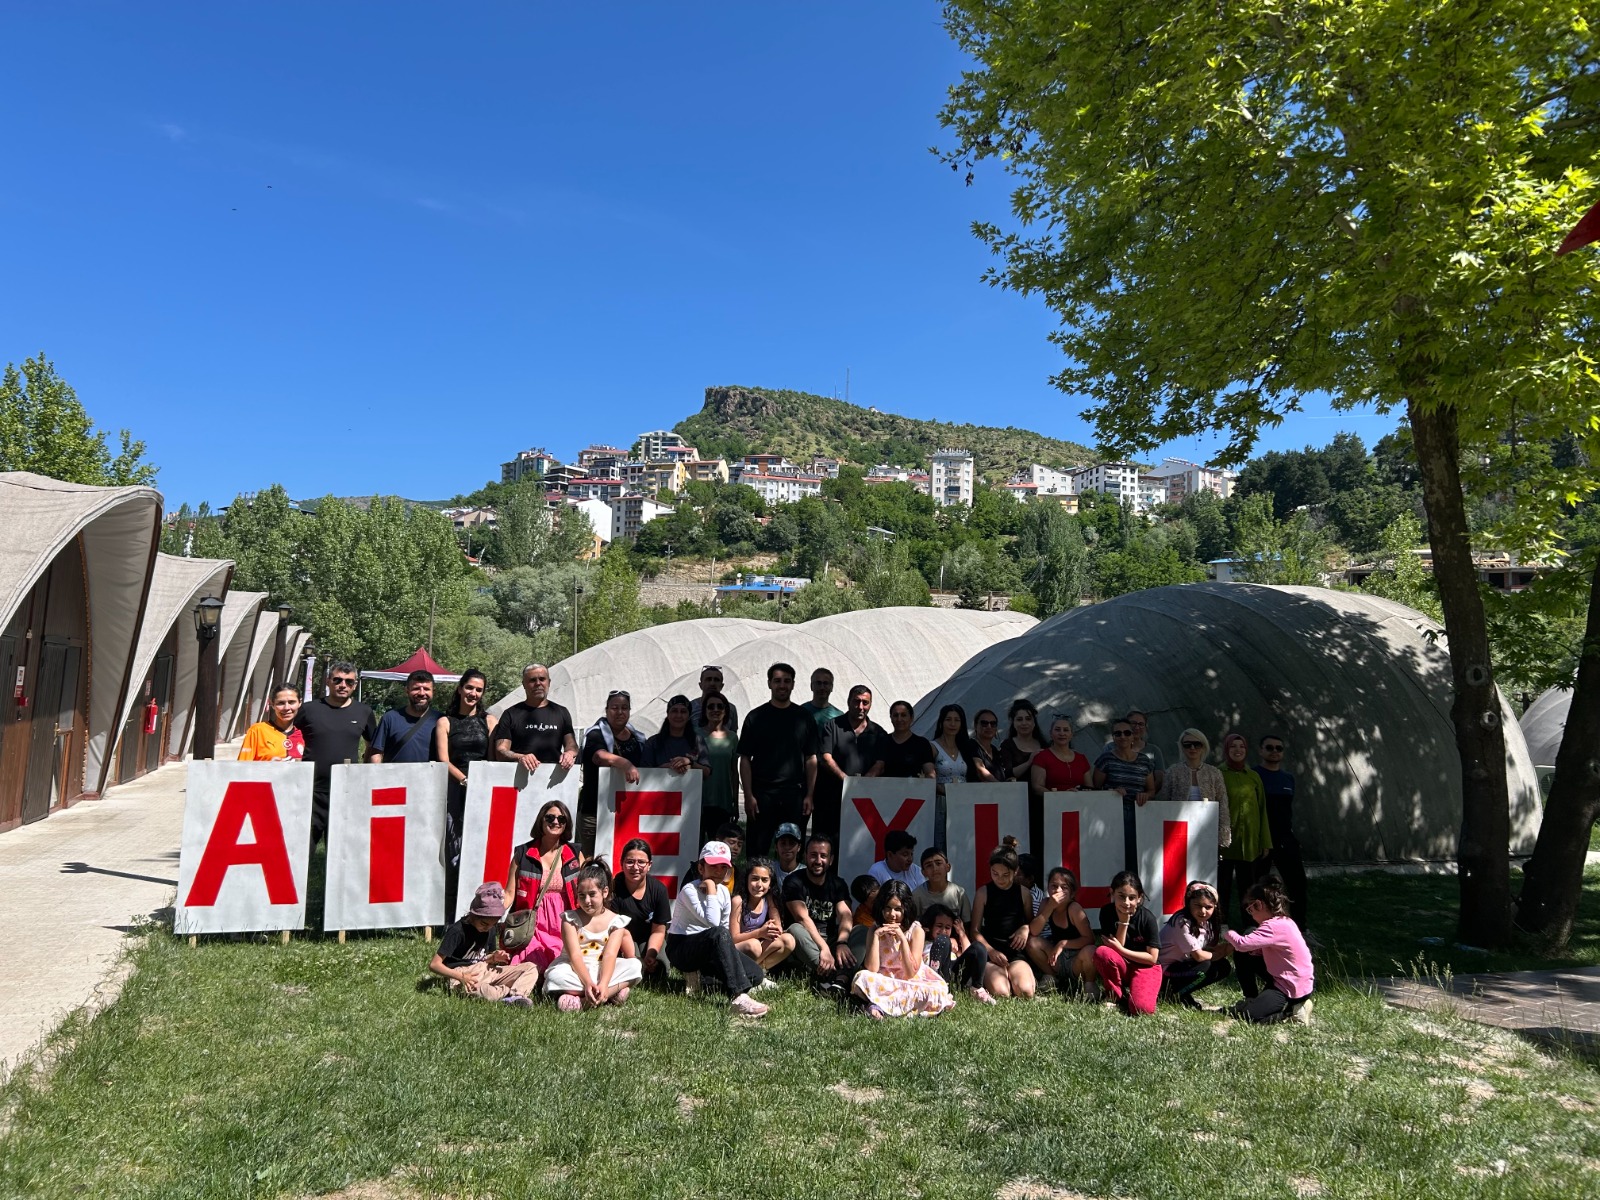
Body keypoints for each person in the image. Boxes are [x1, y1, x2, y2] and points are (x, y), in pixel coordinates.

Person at [665, 840, 769, 1017]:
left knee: (756, 975)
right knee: (718, 933)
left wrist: (728, 957)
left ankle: (703, 981)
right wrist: (711, 889)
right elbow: (714, 924)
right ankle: (738, 997)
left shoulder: (724, 893)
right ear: (701, 868)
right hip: (681, 948)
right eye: (713, 866)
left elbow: (724, 930)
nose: (718, 871)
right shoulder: (689, 890)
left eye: (723, 867)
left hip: (709, 947)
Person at [432, 668, 498, 922]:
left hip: (483, 792)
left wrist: (481, 785)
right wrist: (465, 780)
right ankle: (452, 913)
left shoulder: (489, 721)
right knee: (454, 852)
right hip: (455, 790)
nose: (473, 693)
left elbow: (493, 759)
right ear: (460, 688)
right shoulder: (445, 722)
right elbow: (443, 760)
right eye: (469, 687)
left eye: (478, 690)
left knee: (481, 850)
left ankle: (483, 908)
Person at [738, 662, 819, 856]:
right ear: (769, 684)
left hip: (794, 795)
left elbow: (811, 759)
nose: (782, 685)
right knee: (757, 852)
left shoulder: (804, 718)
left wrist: (809, 795)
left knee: (791, 853)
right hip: (762, 795)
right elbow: (745, 759)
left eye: (786, 681)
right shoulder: (755, 717)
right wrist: (748, 795)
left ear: (793, 684)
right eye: (777, 681)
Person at [294, 660, 377, 846]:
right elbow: (289, 737)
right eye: (337, 680)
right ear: (328, 681)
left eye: (349, 682)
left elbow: (372, 746)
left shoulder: (364, 712)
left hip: (346, 791)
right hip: (311, 790)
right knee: (303, 847)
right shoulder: (309, 709)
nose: (343, 685)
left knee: (340, 850)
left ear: (355, 685)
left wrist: (367, 775)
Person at [1214, 876, 1314, 1025]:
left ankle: (1291, 1011)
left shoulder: (1272, 927)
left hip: (1290, 986)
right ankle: (1252, 999)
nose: (1251, 914)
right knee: (1244, 951)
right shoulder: (1285, 922)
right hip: (1292, 980)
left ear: (1259, 904)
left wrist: (1226, 932)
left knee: (1249, 1016)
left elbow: (1241, 944)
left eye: (1250, 909)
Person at [543, 861, 641, 1011]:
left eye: (592, 894)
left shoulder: (616, 921)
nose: (587, 901)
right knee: (556, 976)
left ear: (605, 892)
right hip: (574, 969)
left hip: (603, 969)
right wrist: (588, 982)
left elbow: (609, 955)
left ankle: (589, 998)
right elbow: (575, 956)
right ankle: (610, 993)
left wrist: (604, 984)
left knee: (635, 966)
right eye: (581, 895)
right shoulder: (570, 920)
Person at [850, 880, 955, 1019]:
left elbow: (911, 972)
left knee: (936, 991)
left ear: (906, 908)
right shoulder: (874, 929)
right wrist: (876, 936)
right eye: (887, 908)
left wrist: (902, 939)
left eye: (898, 909)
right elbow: (872, 968)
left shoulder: (916, 931)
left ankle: (879, 1005)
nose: (892, 914)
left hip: (909, 980)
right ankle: (888, 1006)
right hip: (884, 980)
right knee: (861, 978)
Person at [427, 881, 540, 1006]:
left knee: (531, 967)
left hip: (484, 969)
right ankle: (509, 994)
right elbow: (434, 965)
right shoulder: (457, 931)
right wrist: (461, 976)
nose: (488, 928)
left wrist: (494, 957)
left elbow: (483, 958)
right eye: (484, 924)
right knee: (487, 992)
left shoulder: (490, 929)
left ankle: (516, 995)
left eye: (493, 924)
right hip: (461, 974)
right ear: (474, 915)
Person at [506, 799, 585, 973]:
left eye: (561, 819)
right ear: (541, 821)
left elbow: (588, 887)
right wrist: (490, 912)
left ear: (566, 824)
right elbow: (510, 893)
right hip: (533, 921)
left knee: (564, 963)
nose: (555, 822)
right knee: (529, 962)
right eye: (550, 818)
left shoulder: (575, 853)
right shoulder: (523, 854)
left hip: (565, 920)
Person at [781, 834, 856, 987]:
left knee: (860, 931)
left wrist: (842, 942)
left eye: (823, 856)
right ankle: (838, 976)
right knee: (794, 929)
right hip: (806, 940)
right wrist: (824, 948)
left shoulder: (838, 883)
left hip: (831, 938)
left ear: (831, 859)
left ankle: (833, 977)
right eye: (813, 855)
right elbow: (802, 918)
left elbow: (845, 914)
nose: (818, 861)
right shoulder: (793, 881)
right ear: (805, 856)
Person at [578, 690, 646, 854]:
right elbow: (599, 756)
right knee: (590, 860)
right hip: (594, 813)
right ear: (607, 710)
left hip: (627, 813)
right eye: (615, 708)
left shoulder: (638, 738)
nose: (620, 712)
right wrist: (626, 764)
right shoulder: (595, 734)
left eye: (624, 708)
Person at [817, 685, 884, 846]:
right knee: (829, 843)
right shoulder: (832, 726)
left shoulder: (878, 732)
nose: (860, 707)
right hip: (832, 799)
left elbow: (880, 763)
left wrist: (861, 784)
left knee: (859, 845)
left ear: (870, 704)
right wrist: (847, 781)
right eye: (856, 701)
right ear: (848, 702)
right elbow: (826, 757)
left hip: (865, 800)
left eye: (865, 703)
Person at [1218, 732, 1273, 927]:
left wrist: (1265, 841)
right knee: (1222, 885)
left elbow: (1262, 809)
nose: (1238, 750)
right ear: (1226, 749)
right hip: (1224, 842)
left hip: (1248, 842)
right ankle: (1220, 923)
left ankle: (1250, 923)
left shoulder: (1253, 776)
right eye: (1233, 746)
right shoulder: (1218, 774)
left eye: (1241, 746)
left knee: (1248, 886)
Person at [969, 844, 1036, 1000]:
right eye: (995, 873)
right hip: (991, 951)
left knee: (1026, 992)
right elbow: (974, 931)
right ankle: (999, 977)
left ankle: (1018, 976)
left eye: (1005, 874)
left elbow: (1032, 923)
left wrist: (1025, 928)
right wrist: (990, 951)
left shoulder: (1024, 893)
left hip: (1015, 952)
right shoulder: (983, 893)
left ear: (1015, 871)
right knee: (1002, 993)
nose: (1000, 879)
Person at [1255, 733, 1307, 927]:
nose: (1274, 751)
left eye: (1279, 748)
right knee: (1258, 884)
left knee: (1297, 882)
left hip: (1285, 837)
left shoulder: (1288, 778)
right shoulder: (1254, 776)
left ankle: (1300, 927)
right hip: (1261, 838)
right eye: (1269, 747)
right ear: (1261, 751)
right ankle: (1258, 925)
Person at [1093, 718, 1157, 874]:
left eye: (1127, 733)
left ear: (1133, 736)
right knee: (1115, 855)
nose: (1123, 736)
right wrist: (1111, 792)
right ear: (1113, 737)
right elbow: (1095, 788)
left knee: (1137, 854)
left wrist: (1145, 795)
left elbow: (1152, 790)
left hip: (1139, 813)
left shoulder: (1144, 761)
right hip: (1113, 814)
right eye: (1118, 733)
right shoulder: (1106, 759)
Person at [1158, 879, 1232, 1008]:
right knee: (1205, 966)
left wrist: (1230, 946)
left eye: (1208, 907)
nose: (1203, 911)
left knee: (1223, 966)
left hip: (1181, 965)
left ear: (1215, 906)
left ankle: (1181, 993)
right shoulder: (1182, 922)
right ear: (1189, 903)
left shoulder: (1206, 923)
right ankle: (1171, 994)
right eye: (1198, 905)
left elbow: (1207, 948)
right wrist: (1223, 951)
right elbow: (1199, 956)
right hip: (1163, 971)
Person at [494, 663, 578, 771]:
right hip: (519, 776)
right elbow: (500, 751)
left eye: (542, 679)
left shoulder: (561, 712)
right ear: (524, 684)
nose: (538, 683)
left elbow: (571, 744)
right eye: (532, 680)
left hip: (554, 776)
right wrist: (520, 757)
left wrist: (569, 754)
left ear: (549, 682)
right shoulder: (510, 714)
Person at [1154, 729, 1232, 844]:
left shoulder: (1214, 773)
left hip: (1207, 829)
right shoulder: (1172, 772)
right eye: (1187, 744)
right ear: (1182, 747)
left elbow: (1223, 804)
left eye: (1197, 744)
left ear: (1203, 746)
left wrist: (1223, 834)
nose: (1192, 748)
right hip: (1178, 830)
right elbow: (1164, 803)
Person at [931, 703, 990, 851]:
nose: (952, 724)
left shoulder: (965, 748)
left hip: (963, 802)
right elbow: (928, 778)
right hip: (941, 802)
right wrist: (947, 792)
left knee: (961, 844)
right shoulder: (932, 747)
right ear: (941, 722)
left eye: (957, 720)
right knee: (941, 843)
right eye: (948, 719)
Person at [611, 839, 670, 985]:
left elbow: (658, 931)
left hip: (648, 936)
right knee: (634, 966)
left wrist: (651, 954)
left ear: (649, 865)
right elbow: (616, 929)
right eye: (630, 862)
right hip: (621, 937)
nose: (635, 867)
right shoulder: (613, 888)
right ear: (622, 863)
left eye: (641, 862)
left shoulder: (659, 890)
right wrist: (632, 956)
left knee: (661, 967)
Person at [1026, 866, 1094, 980]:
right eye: (1054, 886)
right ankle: (1052, 977)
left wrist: (1063, 944)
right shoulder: (1046, 903)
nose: (1058, 890)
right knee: (1031, 942)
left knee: (1090, 951)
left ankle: (1089, 983)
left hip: (1077, 959)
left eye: (1064, 887)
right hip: (1056, 958)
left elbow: (1089, 939)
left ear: (1072, 893)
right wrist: (1050, 907)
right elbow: (1034, 931)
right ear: (1047, 888)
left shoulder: (1074, 908)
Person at [731, 857, 796, 972]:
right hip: (739, 948)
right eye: (754, 879)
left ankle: (758, 972)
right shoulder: (738, 901)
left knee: (788, 940)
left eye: (765, 880)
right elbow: (734, 938)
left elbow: (778, 928)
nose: (759, 884)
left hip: (758, 945)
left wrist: (772, 928)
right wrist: (760, 933)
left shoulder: (769, 899)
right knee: (754, 946)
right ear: (746, 880)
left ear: (770, 884)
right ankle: (745, 973)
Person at [921, 902, 994, 1004]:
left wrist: (961, 933)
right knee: (942, 941)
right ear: (930, 925)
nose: (943, 930)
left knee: (978, 947)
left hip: (956, 974)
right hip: (937, 974)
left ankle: (976, 988)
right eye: (939, 926)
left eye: (947, 927)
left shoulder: (954, 943)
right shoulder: (922, 940)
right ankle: (938, 990)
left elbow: (971, 954)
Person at [999, 700, 1045, 851]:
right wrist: (1030, 761)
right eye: (1019, 719)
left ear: (1034, 722)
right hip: (1018, 802)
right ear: (1013, 723)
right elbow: (1007, 773)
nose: (1024, 723)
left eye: (1028, 719)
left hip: (1042, 802)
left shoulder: (1043, 744)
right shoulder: (1007, 745)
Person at [368, 669, 440, 764]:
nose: (422, 693)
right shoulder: (390, 718)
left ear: (433, 692)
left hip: (430, 773)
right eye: (416, 689)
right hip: (395, 773)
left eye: (426, 689)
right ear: (407, 691)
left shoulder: (440, 720)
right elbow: (376, 753)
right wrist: (377, 771)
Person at [644, 694, 710, 789]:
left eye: (683, 711)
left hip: (690, 795)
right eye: (674, 711)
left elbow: (707, 772)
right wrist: (665, 768)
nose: (679, 715)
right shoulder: (653, 742)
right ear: (668, 714)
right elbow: (644, 774)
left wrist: (690, 763)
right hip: (660, 793)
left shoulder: (698, 741)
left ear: (689, 716)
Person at [699, 690, 740, 839]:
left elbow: (734, 771)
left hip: (723, 799)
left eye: (720, 706)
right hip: (699, 799)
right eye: (711, 706)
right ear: (704, 711)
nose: (715, 710)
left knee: (718, 844)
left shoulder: (733, 738)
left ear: (726, 711)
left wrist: (735, 802)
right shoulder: (695, 735)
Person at [1030, 715, 1092, 801]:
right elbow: (1037, 787)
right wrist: (1060, 797)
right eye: (1057, 730)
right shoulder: (1042, 757)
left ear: (1071, 734)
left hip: (1080, 804)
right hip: (1053, 804)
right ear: (1051, 733)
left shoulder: (1081, 759)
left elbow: (1089, 787)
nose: (1062, 733)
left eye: (1066, 730)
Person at [872, 700, 937, 780]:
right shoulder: (882, 741)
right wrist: (862, 782)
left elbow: (929, 772)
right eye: (896, 715)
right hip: (886, 786)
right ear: (891, 718)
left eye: (903, 715)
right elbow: (878, 767)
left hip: (913, 787)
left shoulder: (922, 744)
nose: (899, 719)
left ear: (911, 718)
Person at [239, 684, 305, 761]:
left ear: (300, 702)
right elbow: (242, 765)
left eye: (291, 702)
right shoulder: (258, 731)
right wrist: (269, 765)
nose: (286, 708)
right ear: (272, 704)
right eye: (281, 703)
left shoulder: (304, 735)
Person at [911, 846, 970, 924]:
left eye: (938, 863)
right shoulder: (917, 896)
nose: (935, 868)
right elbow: (912, 925)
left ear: (948, 867)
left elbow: (967, 924)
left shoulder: (959, 893)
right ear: (923, 872)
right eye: (929, 865)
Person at [1123, 709, 1167, 792]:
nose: (1137, 727)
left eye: (1141, 724)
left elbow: (1159, 779)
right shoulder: (1111, 747)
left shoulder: (1154, 750)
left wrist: (1147, 795)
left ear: (1145, 728)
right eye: (1133, 723)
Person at [691, 665, 739, 733]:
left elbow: (733, 734)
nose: (712, 683)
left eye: (716, 680)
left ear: (722, 686)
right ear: (700, 685)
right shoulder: (690, 707)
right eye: (708, 679)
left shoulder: (731, 709)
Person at [969, 709, 1002, 781]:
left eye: (993, 724)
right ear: (975, 726)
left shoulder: (995, 750)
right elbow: (980, 771)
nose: (989, 726)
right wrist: (1000, 786)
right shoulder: (971, 745)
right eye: (984, 723)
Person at [771, 822, 805, 890]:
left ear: (799, 847)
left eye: (792, 843)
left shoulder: (805, 872)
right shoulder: (770, 870)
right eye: (783, 843)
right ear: (776, 847)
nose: (787, 847)